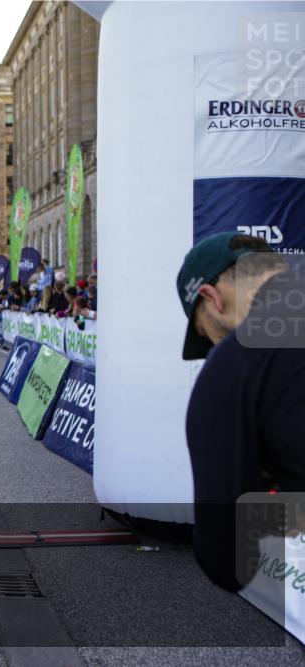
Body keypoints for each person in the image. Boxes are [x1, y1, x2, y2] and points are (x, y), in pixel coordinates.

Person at [176, 231, 305, 592]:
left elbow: (225, 558)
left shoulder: (236, 363)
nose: (215, 346)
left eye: (208, 335)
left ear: (212, 298)